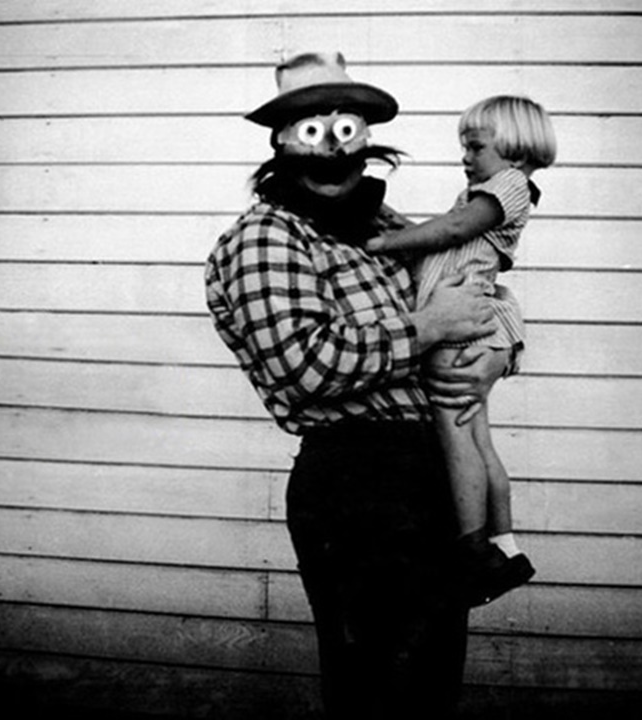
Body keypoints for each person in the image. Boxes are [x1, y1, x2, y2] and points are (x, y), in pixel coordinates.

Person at [205, 52, 518, 720]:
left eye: (345, 129)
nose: (331, 150)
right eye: (310, 131)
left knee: (430, 686)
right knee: (380, 692)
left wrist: (502, 352)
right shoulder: (266, 238)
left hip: (436, 470)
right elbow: (304, 367)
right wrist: (429, 328)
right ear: (282, 143)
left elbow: (481, 288)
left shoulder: (390, 229)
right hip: (357, 484)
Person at [366, 95, 557, 606]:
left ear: (516, 149)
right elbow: (444, 238)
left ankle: (471, 548)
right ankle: (504, 543)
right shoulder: (488, 192)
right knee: (477, 439)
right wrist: (398, 227)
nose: (465, 157)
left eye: (475, 146)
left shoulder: (508, 187)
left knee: (456, 437)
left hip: (456, 335)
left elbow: (450, 230)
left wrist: (384, 245)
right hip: (466, 330)